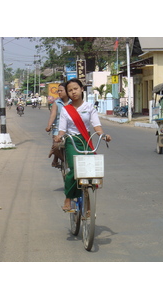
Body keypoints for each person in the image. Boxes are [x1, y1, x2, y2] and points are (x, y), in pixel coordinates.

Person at [54, 78, 111, 212]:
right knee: (74, 169)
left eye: (75, 89)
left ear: (81, 89)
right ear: (67, 93)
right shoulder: (66, 110)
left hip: (86, 140)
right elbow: (62, 129)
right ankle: (68, 198)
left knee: (91, 170)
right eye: (70, 90)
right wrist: (59, 136)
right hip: (72, 141)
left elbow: (96, 125)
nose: (73, 92)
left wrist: (103, 136)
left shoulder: (89, 107)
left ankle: (88, 202)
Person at [45, 83, 71, 167]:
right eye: (58, 91)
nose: (59, 92)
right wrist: (49, 125)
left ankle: (55, 160)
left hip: (70, 129)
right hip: (58, 128)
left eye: (61, 90)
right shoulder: (56, 103)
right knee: (56, 146)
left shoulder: (73, 102)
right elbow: (53, 115)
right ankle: (63, 160)